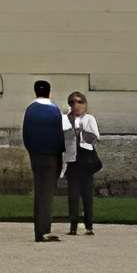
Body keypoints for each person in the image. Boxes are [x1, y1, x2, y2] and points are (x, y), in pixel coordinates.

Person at [22, 80, 69, 242]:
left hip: (36, 155)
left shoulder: (30, 110)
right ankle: (43, 230)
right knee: (47, 193)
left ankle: (39, 229)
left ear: (35, 92)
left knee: (39, 191)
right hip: (51, 155)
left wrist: (32, 151)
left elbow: (26, 135)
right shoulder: (54, 110)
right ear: (49, 92)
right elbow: (59, 135)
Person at [62, 91, 103, 234]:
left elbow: (95, 138)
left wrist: (80, 132)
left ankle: (89, 225)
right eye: (73, 102)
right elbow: (63, 138)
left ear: (84, 105)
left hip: (86, 159)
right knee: (73, 195)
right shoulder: (65, 119)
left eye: (79, 102)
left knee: (87, 195)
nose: (76, 105)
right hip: (72, 160)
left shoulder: (89, 119)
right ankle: (73, 226)